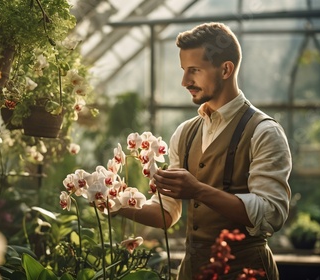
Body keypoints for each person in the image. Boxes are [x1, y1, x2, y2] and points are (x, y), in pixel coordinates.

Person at [115, 22, 292, 280]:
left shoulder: (264, 131)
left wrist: (197, 190)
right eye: (184, 70)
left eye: (194, 70)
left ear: (226, 69)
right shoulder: (186, 133)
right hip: (192, 272)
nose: (185, 81)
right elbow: (167, 213)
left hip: (245, 272)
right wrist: (114, 202)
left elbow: (270, 214)